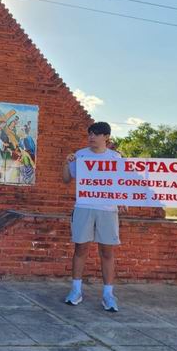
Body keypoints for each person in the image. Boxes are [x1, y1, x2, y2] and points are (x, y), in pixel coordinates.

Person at [61, 121, 122, 312]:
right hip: (84, 206)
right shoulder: (80, 155)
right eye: (90, 134)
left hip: (108, 209)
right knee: (81, 248)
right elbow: (66, 179)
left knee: (107, 252)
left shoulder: (116, 158)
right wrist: (66, 163)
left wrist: (124, 199)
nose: (91, 137)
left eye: (96, 134)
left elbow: (123, 183)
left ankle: (108, 294)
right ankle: (76, 290)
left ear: (106, 137)